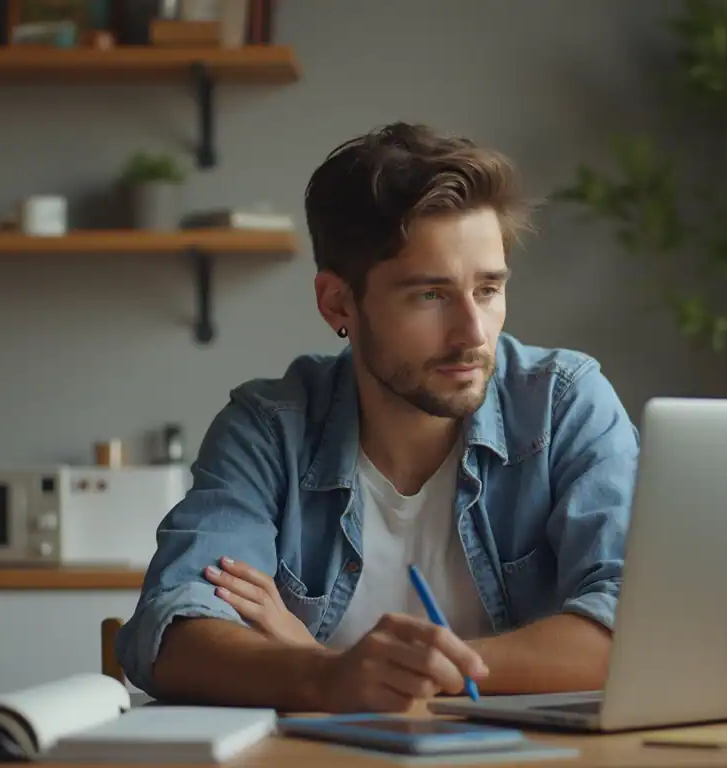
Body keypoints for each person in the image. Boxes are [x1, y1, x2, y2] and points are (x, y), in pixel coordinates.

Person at [114, 122, 640, 713]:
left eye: (488, 290)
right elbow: (174, 632)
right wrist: (330, 678)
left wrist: (346, 668)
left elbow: (637, 625)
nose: (473, 334)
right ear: (338, 302)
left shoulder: (564, 403)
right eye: (430, 296)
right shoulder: (269, 428)